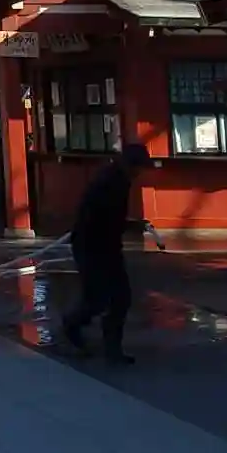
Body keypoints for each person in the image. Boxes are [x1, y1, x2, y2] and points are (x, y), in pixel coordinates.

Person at [62, 141, 153, 364]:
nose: (139, 173)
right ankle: (72, 326)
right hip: (92, 246)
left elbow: (110, 218)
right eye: (139, 167)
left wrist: (129, 225)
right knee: (101, 298)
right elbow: (102, 219)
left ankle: (111, 347)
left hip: (105, 246)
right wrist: (128, 226)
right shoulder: (110, 182)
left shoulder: (118, 179)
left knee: (116, 297)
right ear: (130, 165)